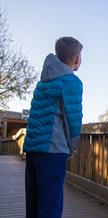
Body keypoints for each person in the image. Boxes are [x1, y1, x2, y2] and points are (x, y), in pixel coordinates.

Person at [23, 37, 83, 218]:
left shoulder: (43, 82)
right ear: (77, 59)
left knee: (34, 206)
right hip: (53, 152)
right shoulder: (72, 82)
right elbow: (73, 120)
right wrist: (71, 148)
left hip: (33, 149)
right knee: (51, 207)